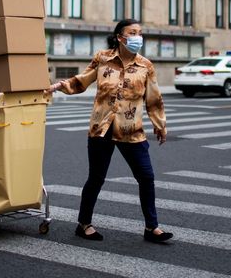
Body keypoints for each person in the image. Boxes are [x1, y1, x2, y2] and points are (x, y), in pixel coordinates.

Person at [47, 19, 172, 243]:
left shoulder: (146, 66)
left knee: (146, 177)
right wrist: (60, 86)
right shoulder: (102, 58)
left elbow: (154, 99)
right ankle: (84, 224)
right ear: (120, 37)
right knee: (96, 178)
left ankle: (151, 228)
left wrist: (160, 124)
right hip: (101, 128)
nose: (137, 37)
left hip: (131, 130)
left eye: (140, 33)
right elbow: (82, 81)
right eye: (132, 33)